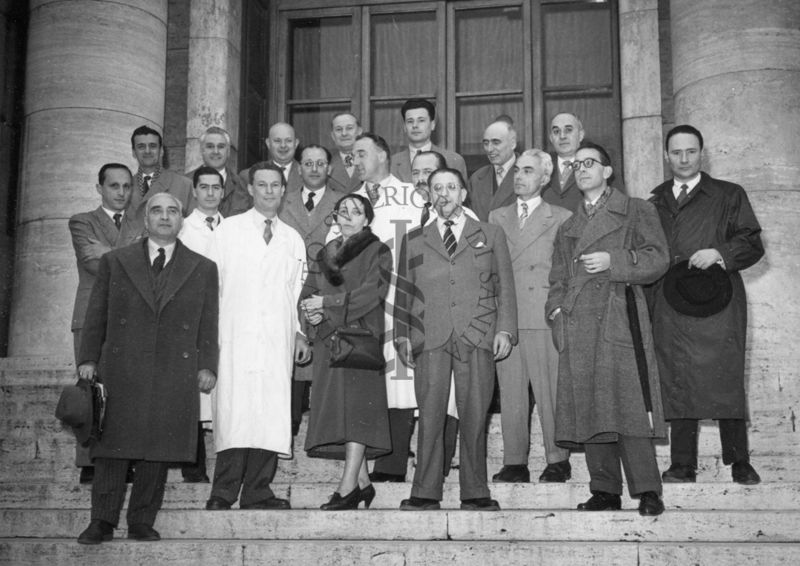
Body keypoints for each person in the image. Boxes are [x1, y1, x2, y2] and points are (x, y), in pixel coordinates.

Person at [75, 193, 219, 544]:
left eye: (173, 211)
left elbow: (209, 322)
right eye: (157, 210)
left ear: (182, 220)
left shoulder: (202, 267)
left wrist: (207, 366)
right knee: (112, 447)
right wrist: (89, 359)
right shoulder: (116, 261)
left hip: (174, 367)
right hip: (122, 366)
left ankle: (141, 520)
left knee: (158, 447)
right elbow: (97, 313)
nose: (165, 217)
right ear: (145, 219)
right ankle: (102, 521)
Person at [545, 141, 669, 516]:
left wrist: (614, 260)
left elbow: (658, 258)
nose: (581, 169)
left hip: (619, 316)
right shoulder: (568, 226)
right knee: (590, 407)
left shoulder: (636, 210)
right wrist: (554, 311)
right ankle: (604, 489)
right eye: (576, 164)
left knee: (628, 405)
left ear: (608, 171)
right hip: (579, 322)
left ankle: (648, 490)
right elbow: (556, 280)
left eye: (589, 162)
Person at [395, 167, 517, 511]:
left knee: (475, 416)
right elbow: (404, 288)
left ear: (463, 194)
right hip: (429, 337)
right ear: (429, 196)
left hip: (477, 333)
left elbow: (504, 284)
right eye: (437, 188)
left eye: (451, 187)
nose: (444, 194)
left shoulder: (491, 234)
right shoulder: (414, 238)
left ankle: (476, 491)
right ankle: (425, 491)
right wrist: (401, 335)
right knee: (430, 414)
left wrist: (505, 328)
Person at [649, 125, 765, 485]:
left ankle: (739, 460)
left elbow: (752, 242)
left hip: (718, 299)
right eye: (676, 152)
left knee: (724, 375)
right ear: (667, 156)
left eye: (691, 151)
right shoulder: (654, 201)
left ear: (702, 153)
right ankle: (682, 464)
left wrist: (720, 253)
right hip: (671, 299)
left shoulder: (729, 195)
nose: (684, 159)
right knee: (677, 375)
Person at [205, 162, 311, 511]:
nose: (269, 191)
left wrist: (298, 333)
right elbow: (210, 288)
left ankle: (258, 491)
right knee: (234, 412)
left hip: (276, 337)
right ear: (250, 189)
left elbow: (297, 291)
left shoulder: (292, 238)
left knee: (269, 412)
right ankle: (223, 492)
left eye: (275, 185)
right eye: (262, 185)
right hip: (234, 334)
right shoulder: (227, 231)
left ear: (284, 190)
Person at [369, 149, 464, 483]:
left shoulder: (464, 213)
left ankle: (436, 466)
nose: (423, 179)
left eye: (430, 172)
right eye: (417, 172)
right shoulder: (391, 208)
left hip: (446, 319)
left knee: (446, 393)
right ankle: (390, 465)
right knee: (398, 387)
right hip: (402, 309)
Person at [300, 193, 393, 509]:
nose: (349, 216)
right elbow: (308, 293)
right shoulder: (325, 253)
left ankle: (347, 488)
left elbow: (372, 293)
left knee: (358, 413)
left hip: (360, 338)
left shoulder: (378, 250)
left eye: (357, 212)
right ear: (335, 217)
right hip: (329, 340)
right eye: (343, 211)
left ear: (367, 219)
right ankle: (364, 483)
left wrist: (326, 305)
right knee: (344, 411)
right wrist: (311, 315)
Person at [488, 149, 573, 483]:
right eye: (517, 171)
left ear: (545, 178)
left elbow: (566, 270)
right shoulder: (497, 216)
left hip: (543, 314)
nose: (520, 177)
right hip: (508, 316)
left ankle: (557, 459)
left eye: (528, 171)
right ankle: (514, 461)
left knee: (549, 390)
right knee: (510, 392)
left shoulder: (562, 216)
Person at [69, 163, 142, 484]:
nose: (121, 193)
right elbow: (92, 261)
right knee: (90, 388)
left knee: (125, 389)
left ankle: (121, 459)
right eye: (114, 186)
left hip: (129, 316)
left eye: (127, 186)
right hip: (91, 315)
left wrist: (110, 253)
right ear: (100, 187)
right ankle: (88, 461)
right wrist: (128, 254)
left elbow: (144, 265)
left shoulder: (141, 221)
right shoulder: (82, 221)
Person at [279, 144, 345, 436]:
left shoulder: (343, 201)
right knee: (290, 359)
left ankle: (323, 431)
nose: (314, 169)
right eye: (308, 163)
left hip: (325, 286)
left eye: (320, 164)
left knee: (324, 356)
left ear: (329, 169)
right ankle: (289, 427)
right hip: (290, 286)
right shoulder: (282, 201)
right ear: (299, 167)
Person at [177, 166, 226, 483]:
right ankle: (193, 465)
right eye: (204, 187)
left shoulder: (233, 227)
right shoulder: (182, 229)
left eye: (215, 187)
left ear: (223, 192)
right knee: (193, 391)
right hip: (192, 317)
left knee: (222, 391)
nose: (210, 192)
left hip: (226, 315)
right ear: (194, 191)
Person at [127, 125, 192, 229]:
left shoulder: (185, 185)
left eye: (152, 146)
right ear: (134, 152)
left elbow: (194, 228)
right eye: (141, 147)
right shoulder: (125, 186)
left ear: (161, 151)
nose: (147, 151)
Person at [390, 99, 468, 183]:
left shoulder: (453, 160)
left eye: (421, 120)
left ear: (432, 124)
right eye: (410, 121)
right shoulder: (390, 164)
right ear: (404, 127)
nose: (415, 125)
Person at [187, 126, 252, 217]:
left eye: (221, 147)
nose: (216, 151)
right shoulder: (186, 182)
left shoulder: (241, 184)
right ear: (202, 150)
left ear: (228, 151)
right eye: (210, 146)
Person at [468, 119, 518, 221]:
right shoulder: (476, 178)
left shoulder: (529, 173)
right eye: (486, 143)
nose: (489, 149)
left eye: (496, 142)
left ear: (512, 144)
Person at [541, 112, 585, 212]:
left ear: (581, 135)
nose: (562, 136)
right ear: (551, 138)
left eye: (568, 130)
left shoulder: (595, 164)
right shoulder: (540, 166)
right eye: (556, 131)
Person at [246, 122, 302, 193]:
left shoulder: (309, 175)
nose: (283, 145)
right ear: (268, 143)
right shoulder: (247, 176)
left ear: (296, 143)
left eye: (288, 141)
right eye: (277, 141)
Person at [328, 112, 363, 193]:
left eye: (349, 128)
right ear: (333, 135)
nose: (344, 133)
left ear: (359, 131)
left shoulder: (374, 162)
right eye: (338, 129)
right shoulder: (325, 164)